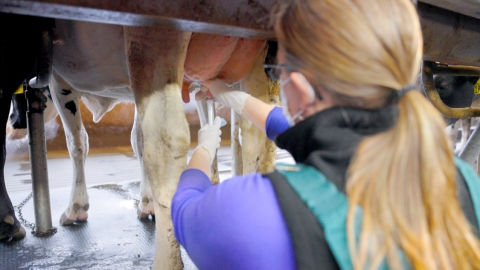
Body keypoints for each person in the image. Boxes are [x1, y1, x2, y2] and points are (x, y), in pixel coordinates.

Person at [171, 0, 480, 269]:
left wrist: (204, 149)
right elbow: (332, 137)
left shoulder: (252, 214)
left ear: (299, 90)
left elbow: (184, 207)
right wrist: (233, 98)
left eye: (279, 71)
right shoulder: (464, 183)